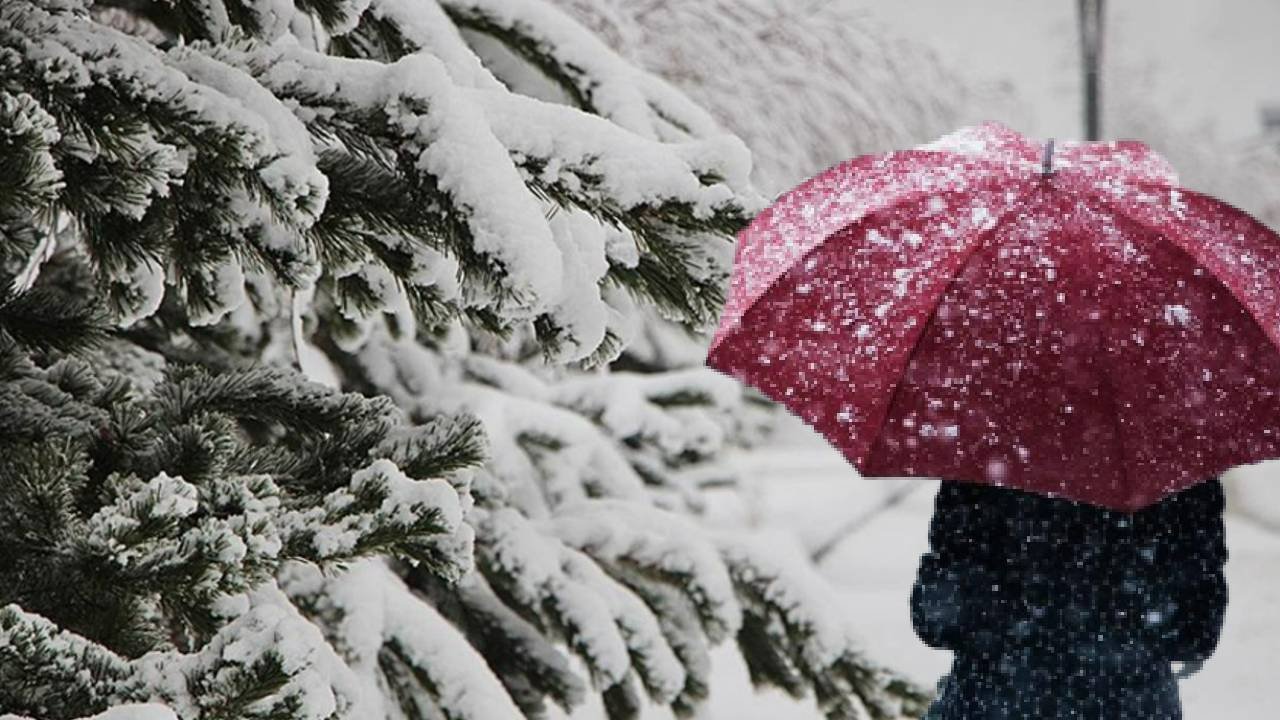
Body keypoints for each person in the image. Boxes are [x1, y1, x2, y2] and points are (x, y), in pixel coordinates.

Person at [910, 476, 1229, 719]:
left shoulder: (987, 455)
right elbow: (1195, 633)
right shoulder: (1174, 468)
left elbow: (936, 619)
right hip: (1131, 703)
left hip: (996, 699)